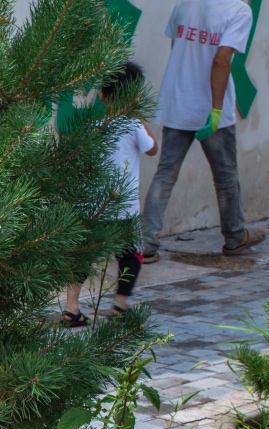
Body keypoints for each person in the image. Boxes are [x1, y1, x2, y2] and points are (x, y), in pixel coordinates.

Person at [139, 0, 265, 259]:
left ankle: (145, 244)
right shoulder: (238, 11)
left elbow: (179, 47)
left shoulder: (185, 4)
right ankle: (235, 236)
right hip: (210, 107)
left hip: (178, 103)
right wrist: (216, 111)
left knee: (165, 174)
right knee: (226, 176)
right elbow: (221, 61)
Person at [63, 63, 159, 327]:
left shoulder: (92, 125)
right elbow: (152, 149)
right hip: (123, 208)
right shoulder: (133, 125)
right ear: (135, 97)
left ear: (102, 95)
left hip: (92, 206)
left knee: (82, 256)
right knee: (130, 255)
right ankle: (120, 304)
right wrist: (138, 115)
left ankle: (71, 308)